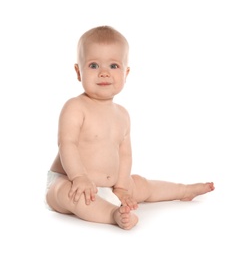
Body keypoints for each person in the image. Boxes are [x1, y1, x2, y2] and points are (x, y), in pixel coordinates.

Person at [46, 25, 215, 230]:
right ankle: (112, 214)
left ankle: (183, 190)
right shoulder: (75, 107)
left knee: (142, 185)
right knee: (67, 194)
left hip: (111, 185)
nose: (104, 73)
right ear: (78, 72)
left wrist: (123, 187)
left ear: (126, 72)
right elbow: (67, 144)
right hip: (71, 179)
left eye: (114, 66)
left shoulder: (122, 114)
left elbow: (124, 154)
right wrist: (79, 177)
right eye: (93, 66)